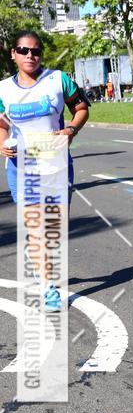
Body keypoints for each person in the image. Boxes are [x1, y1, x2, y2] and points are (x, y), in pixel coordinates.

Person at [0, 30, 89, 310]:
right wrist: (2, 145)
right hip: (21, 165)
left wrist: (71, 129)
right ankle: (49, 286)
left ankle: (43, 271)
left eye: (35, 51)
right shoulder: (3, 89)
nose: (30, 56)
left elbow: (82, 107)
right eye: (23, 50)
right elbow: (2, 124)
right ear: (13, 54)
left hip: (55, 164)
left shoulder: (58, 79)